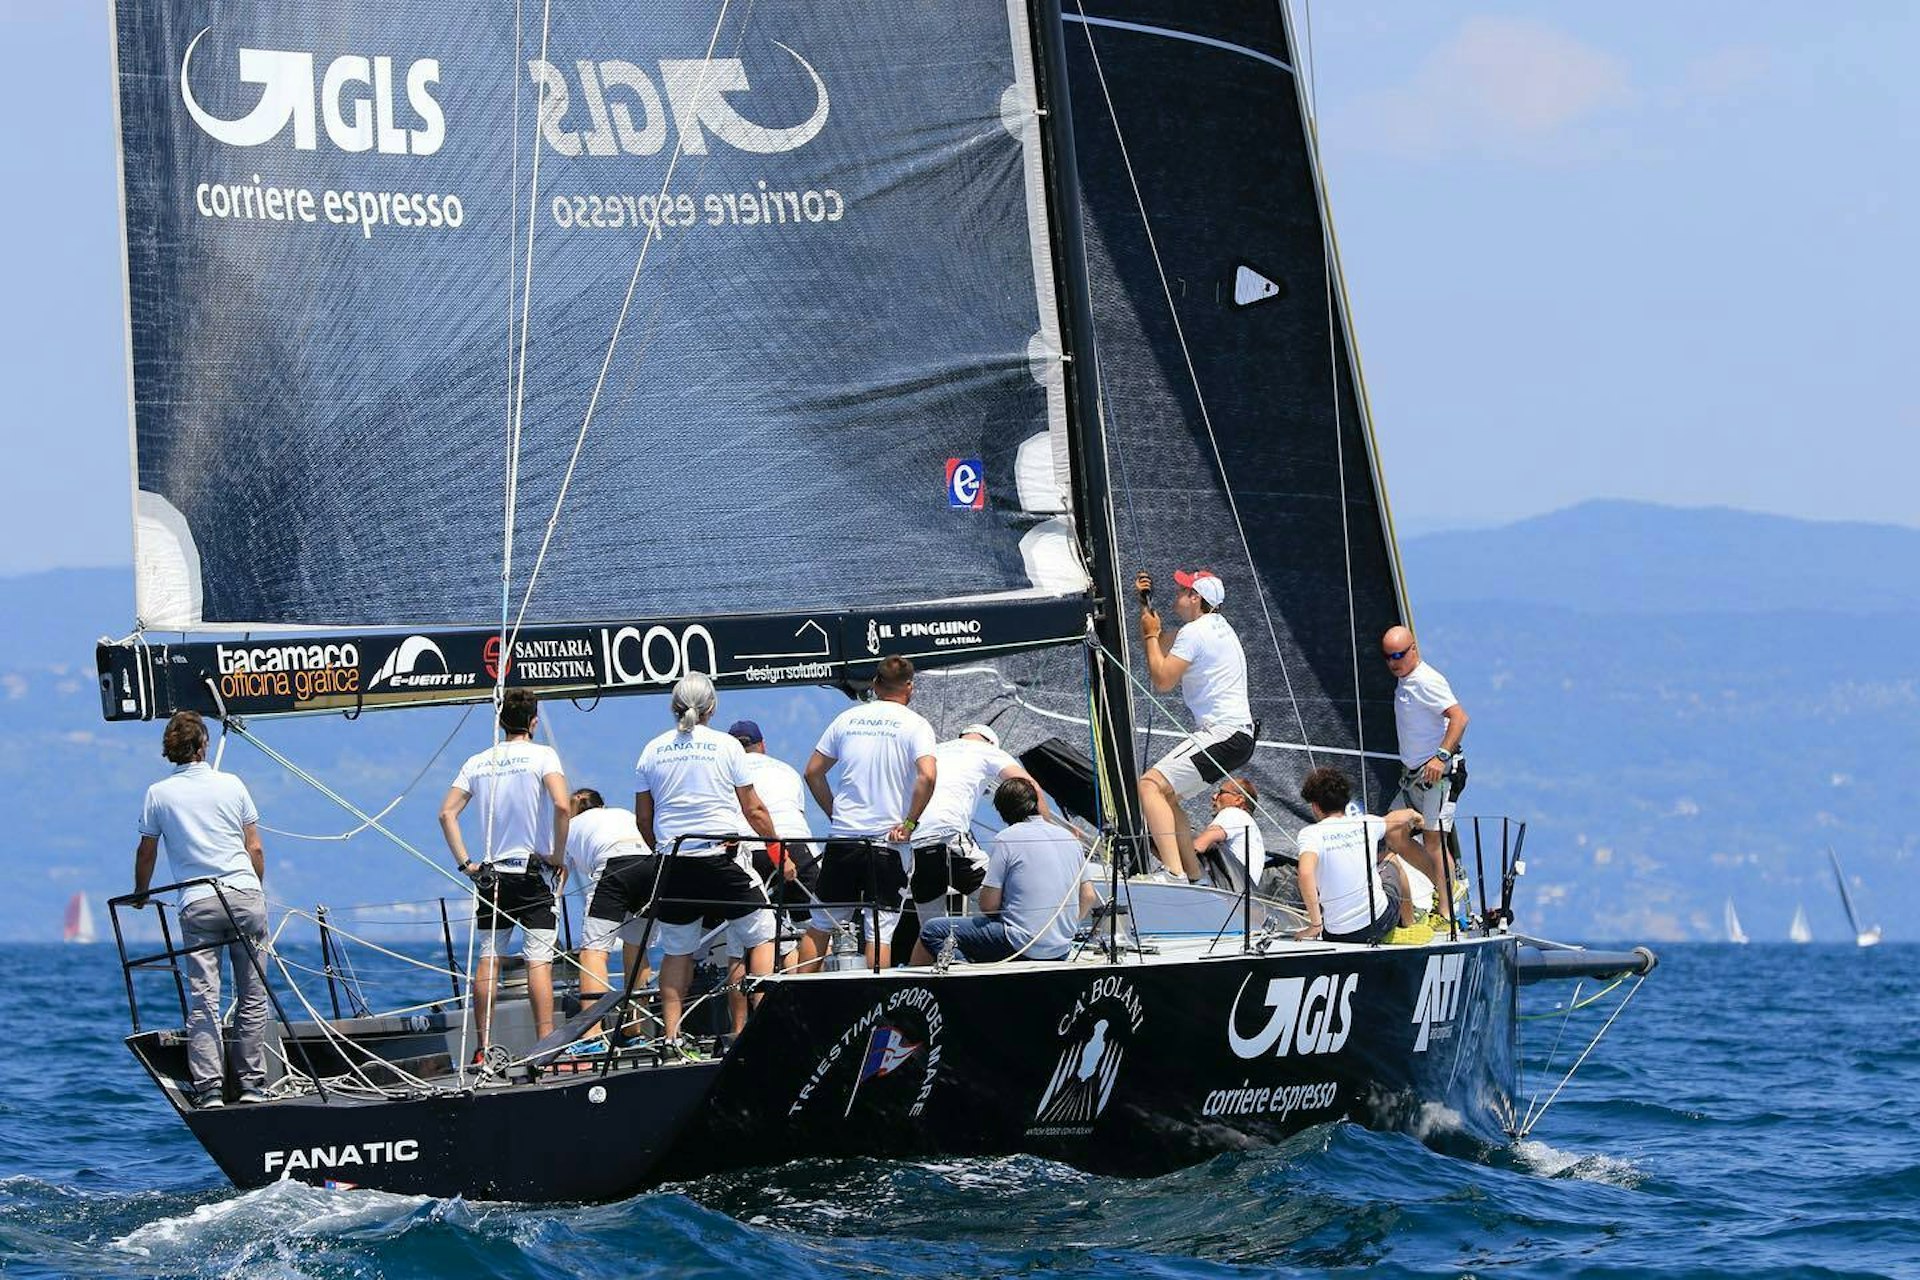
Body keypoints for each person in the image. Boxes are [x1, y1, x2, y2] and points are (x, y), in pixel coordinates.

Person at [606, 673, 778, 1052]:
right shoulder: (728, 747)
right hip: (719, 860)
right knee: (763, 932)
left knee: (677, 950)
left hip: (674, 863)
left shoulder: (651, 751)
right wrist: (776, 845)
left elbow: (644, 819)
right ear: (712, 708)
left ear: (674, 707)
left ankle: (671, 1037)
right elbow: (754, 809)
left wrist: (661, 850)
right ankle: (764, 1027)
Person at [131, 711, 270, 1108]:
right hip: (244, 895)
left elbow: (146, 852)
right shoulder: (232, 784)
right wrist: (255, 891)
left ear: (170, 750)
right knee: (253, 995)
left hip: (198, 903)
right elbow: (255, 848)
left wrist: (141, 893)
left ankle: (209, 1089)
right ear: (204, 745)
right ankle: (251, 1084)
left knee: (205, 998)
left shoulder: (158, 794)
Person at [439, 689, 570, 1056]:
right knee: (538, 960)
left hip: (491, 876)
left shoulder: (478, 761)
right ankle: (545, 1047)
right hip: (533, 873)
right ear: (534, 722)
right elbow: (562, 806)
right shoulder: (543, 755)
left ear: (500, 722)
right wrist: (557, 855)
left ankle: (482, 1048)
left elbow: (446, 814)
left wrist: (466, 865)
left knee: (489, 957)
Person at [799, 655, 937, 970]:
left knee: (821, 923)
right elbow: (927, 776)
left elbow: (813, 773)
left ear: (875, 684)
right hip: (888, 843)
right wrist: (909, 823)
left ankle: (797, 993)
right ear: (910, 687)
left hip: (844, 840)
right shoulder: (916, 725)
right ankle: (876, 1001)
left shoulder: (847, 719)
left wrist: (835, 813)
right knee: (880, 932)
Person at [1136, 569, 1255, 881]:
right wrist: (1145, 607)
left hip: (1223, 733)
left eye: (1183, 590)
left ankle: (1173, 873)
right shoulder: (1217, 626)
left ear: (1195, 598)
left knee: (1149, 786)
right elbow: (1161, 643)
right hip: (1237, 737)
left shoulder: (1194, 633)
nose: (1177, 593)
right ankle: (1193, 875)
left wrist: (1149, 635)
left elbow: (1162, 680)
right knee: (1168, 797)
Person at [911, 778, 1097, 964]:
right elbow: (1088, 896)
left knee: (933, 930)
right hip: (1060, 948)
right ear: (1035, 803)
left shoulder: (1007, 838)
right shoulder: (1070, 839)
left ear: (1003, 812)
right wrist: (1063, 929)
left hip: (1018, 944)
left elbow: (989, 906)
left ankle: (967, 972)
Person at [908, 724, 1045, 929]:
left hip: (916, 845)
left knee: (931, 928)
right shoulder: (988, 750)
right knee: (1008, 904)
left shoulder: (932, 752)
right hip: (949, 838)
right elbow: (1030, 786)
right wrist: (1050, 829)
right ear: (991, 742)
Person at [725, 719, 811, 1021]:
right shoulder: (785, 770)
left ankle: (742, 1028)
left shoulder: (727, 770)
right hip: (795, 845)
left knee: (740, 943)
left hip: (747, 848)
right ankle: (802, 1014)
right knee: (809, 933)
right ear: (762, 745)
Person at [1381, 625, 1467, 909]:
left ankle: (1446, 909)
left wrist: (1440, 757)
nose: (1393, 663)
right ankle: (1446, 886)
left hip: (1438, 775)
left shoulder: (1427, 680)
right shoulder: (1405, 680)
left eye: (1398, 655)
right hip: (1412, 777)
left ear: (1413, 649)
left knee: (1433, 841)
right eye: (1388, 657)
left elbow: (1459, 718)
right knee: (1393, 831)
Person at [1292, 767, 1423, 944]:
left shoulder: (1310, 834)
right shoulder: (1367, 822)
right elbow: (1397, 817)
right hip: (1380, 922)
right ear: (1345, 802)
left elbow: (1305, 873)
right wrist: (1414, 815)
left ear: (1315, 806)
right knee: (1391, 857)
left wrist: (1316, 925)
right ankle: (1409, 923)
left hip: (1336, 935)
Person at [562, 788, 651, 1048]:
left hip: (613, 867)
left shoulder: (569, 827)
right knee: (637, 948)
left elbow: (559, 871)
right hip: (649, 865)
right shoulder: (622, 814)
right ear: (602, 805)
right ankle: (633, 1032)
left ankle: (591, 1036)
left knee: (593, 952)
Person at [1192, 776, 1265, 888]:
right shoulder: (1249, 824)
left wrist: (1175, 866)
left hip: (1228, 886)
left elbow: (1201, 843)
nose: (1214, 796)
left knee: (1187, 833)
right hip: (1242, 890)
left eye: (1221, 792)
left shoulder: (1233, 813)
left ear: (1238, 799)